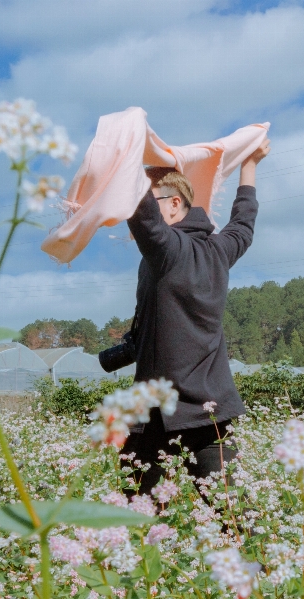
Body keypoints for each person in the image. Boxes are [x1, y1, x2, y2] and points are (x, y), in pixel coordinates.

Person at [120, 139, 271, 496]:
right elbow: (244, 222)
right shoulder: (221, 248)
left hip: (159, 409)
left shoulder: (166, 249)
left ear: (174, 205)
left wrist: (131, 160)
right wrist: (250, 164)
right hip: (210, 409)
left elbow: (142, 214)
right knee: (230, 514)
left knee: (134, 513)